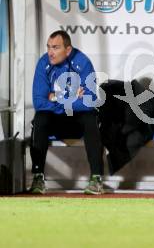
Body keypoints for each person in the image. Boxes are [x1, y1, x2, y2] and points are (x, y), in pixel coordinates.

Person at [30, 30, 104, 195]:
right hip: (55, 121)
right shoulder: (44, 63)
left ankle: (96, 179)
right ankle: (38, 177)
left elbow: (89, 101)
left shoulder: (83, 62)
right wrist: (70, 98)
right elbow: (39, 103)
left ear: (68, 50)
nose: (50, 52)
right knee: (40, 118)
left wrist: (55, 98)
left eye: (55, 47)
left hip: (76, 122)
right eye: (48, 47)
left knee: (91, 118)